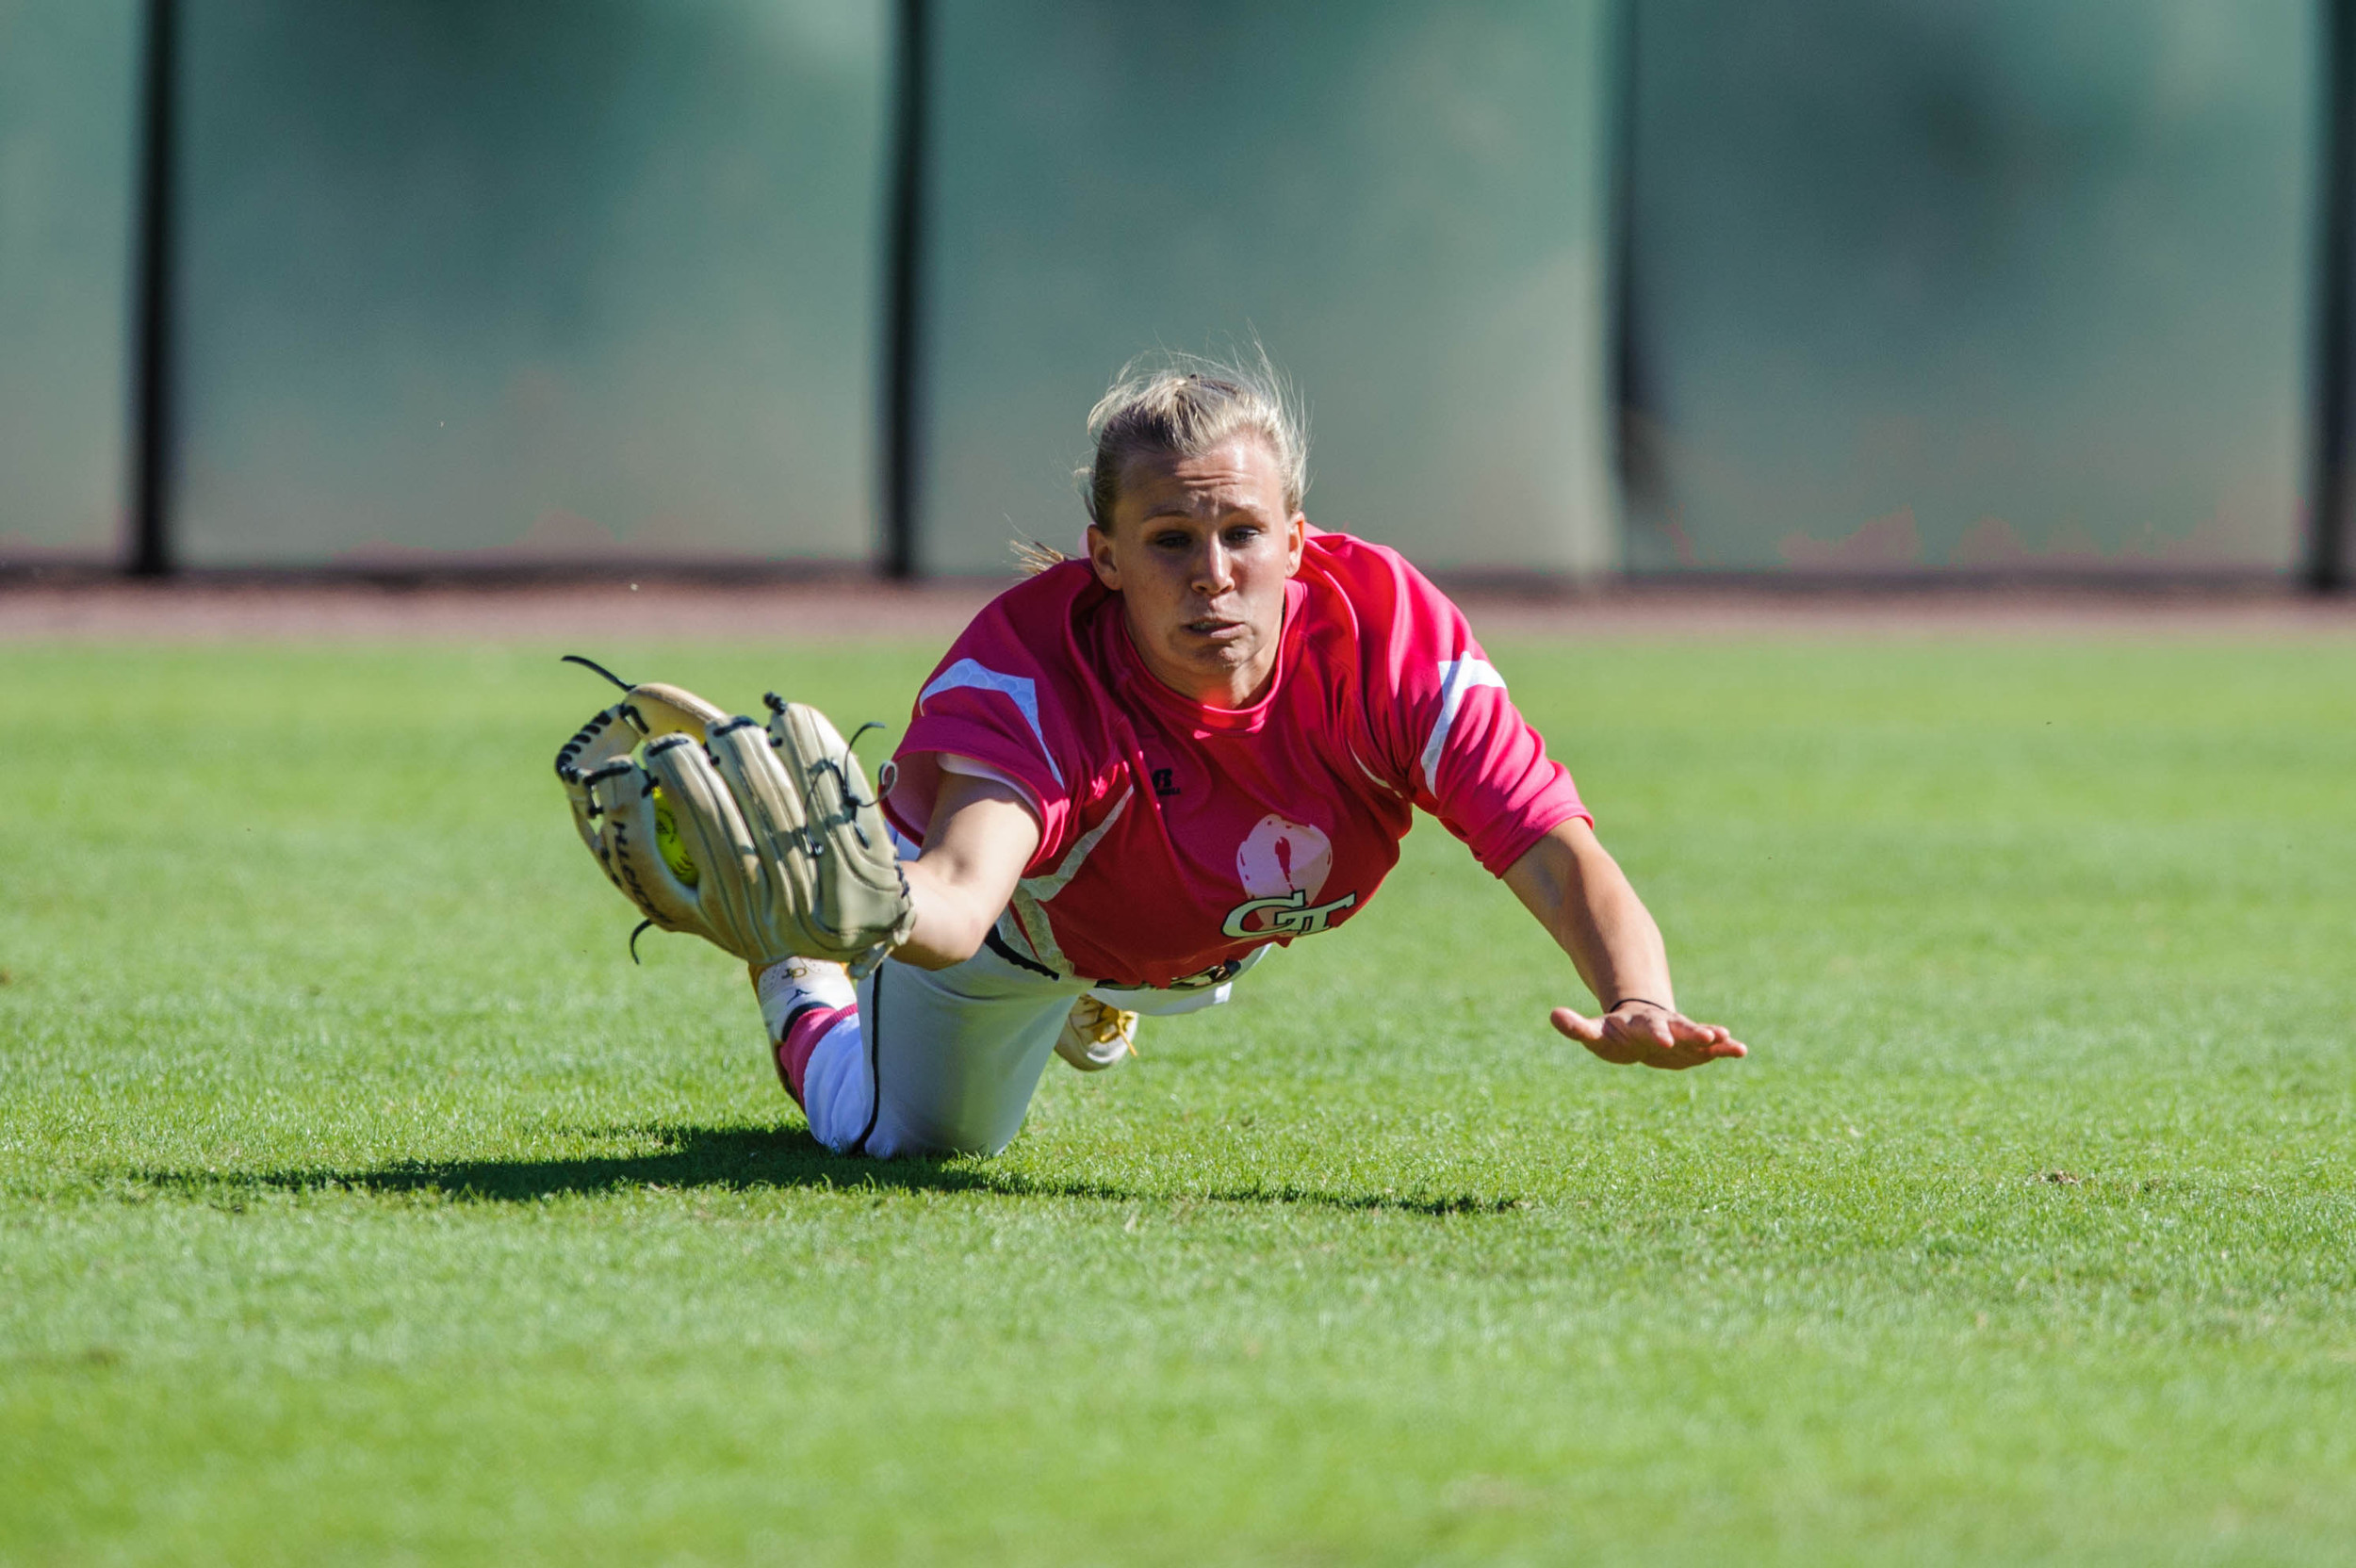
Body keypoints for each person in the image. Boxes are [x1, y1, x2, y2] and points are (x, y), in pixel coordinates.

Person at [753, 354, 1743, 1159]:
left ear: (1297, 541)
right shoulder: (1039, 679)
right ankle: (801, 984)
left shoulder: (1387, 647)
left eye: (1242, 533)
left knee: (1154, 933)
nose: (1213, 577)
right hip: (1015, 928)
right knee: (905, 1140)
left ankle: (1106, 993)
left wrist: (1639, 997)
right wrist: (845, 899)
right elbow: (964, 901)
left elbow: (1552, 853)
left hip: (1178, 926)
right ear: (1104, 558)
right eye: (1171, 540)